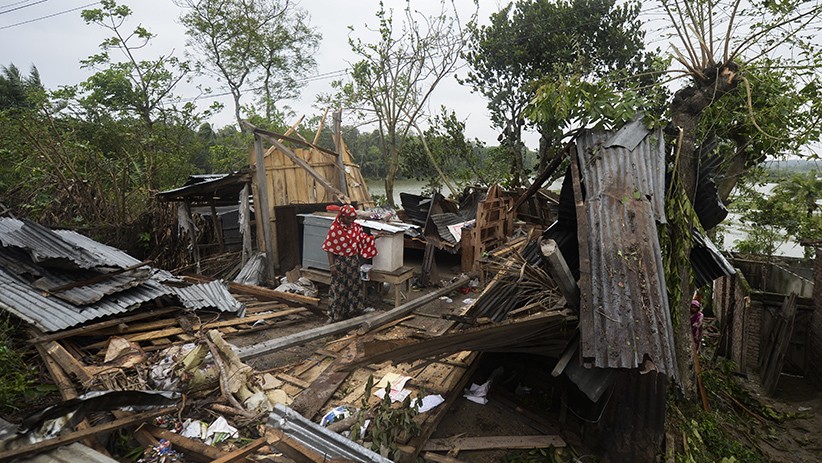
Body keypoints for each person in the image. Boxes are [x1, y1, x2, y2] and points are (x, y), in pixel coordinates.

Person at [322, 204, 378, 322]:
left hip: (353, 262)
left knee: (354, 287)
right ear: (342, 217)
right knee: (339, 288)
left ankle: (354, 311)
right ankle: (336, 315)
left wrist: (375, 237)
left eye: (353, 218)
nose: (351, 221)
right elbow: (329, 248)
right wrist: (332, 265)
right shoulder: (335, 229)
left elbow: (362, 239)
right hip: (340, 262)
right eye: (348, 218)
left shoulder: (355, 227)